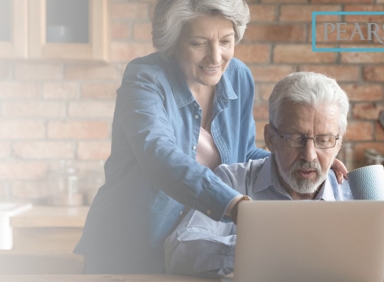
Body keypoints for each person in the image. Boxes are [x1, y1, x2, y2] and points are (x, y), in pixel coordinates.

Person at [74, 0, 345, 274]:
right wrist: (233, 203)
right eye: (199, 43)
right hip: (132, 248)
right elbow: (158, 155)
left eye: (226, 41)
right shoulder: (145, 79)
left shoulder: (238, 76)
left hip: (192, 251)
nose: (215, 57)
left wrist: (302, 158)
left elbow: (246, 152)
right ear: (173, 41)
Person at [163, 72, 384, 277]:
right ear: (271, 137)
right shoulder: (231, 181)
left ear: (338, 143)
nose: (309, 155)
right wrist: (262, 252)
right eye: (296, 138)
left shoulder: (358, 193)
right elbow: (179, 250)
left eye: (324, 140)